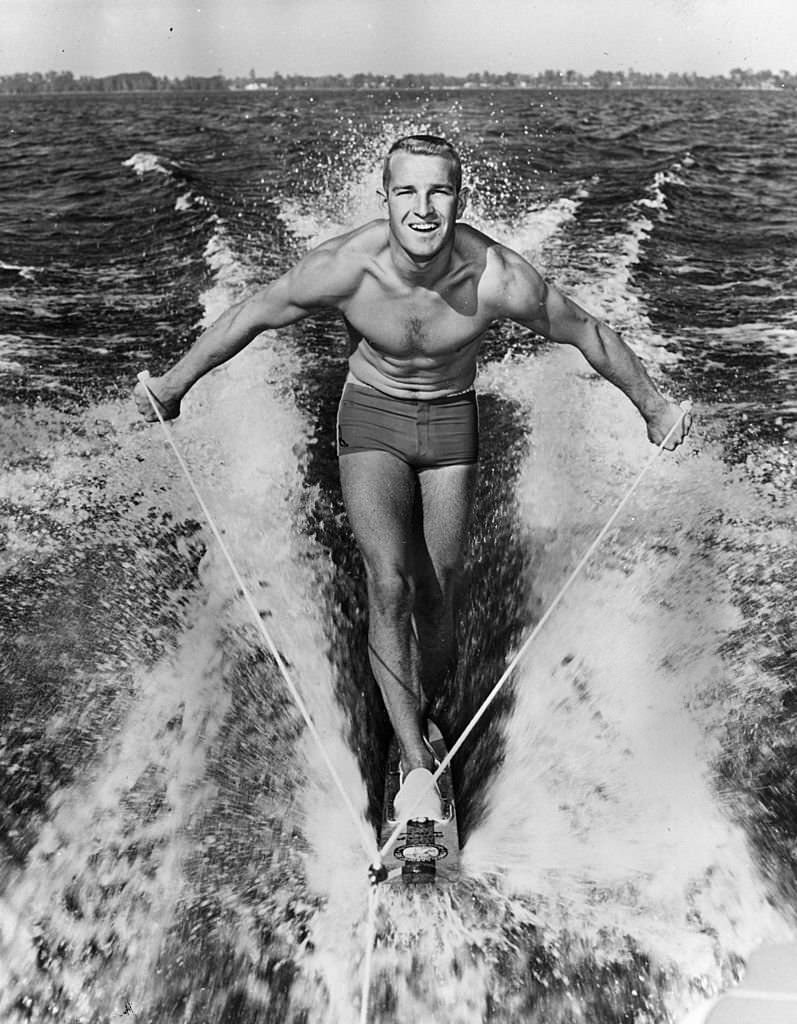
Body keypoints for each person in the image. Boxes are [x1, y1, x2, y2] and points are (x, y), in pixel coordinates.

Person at [134, 134, 691, 823]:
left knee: (440, 589)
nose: (422, 209)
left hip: (451, 425)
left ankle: (418, 716)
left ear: (460, 199)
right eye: (406, 192)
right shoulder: (346, 268)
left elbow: (587, 332)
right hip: (370, 419)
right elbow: (251, 313)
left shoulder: (496, 278)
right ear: (386, 199)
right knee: (388, 580)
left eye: (438, 192)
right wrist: (173, 385)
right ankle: (416, 764)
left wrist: (653, 406)